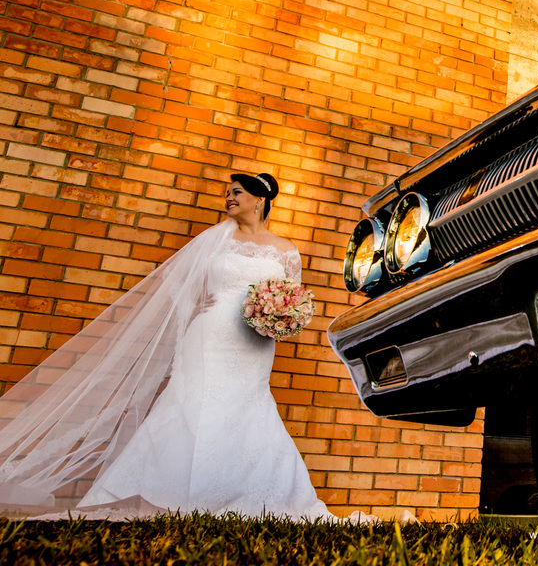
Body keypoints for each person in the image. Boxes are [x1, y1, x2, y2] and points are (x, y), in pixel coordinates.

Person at [0, 173, 363, 521]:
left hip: (255, 343)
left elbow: (294, 300)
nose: (229, 198)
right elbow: (179, 286)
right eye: (228, 192)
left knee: (247, 406)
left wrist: (283, 318)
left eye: (237, 192)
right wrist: (196, 304)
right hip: (209, 335)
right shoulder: (217, 239)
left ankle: (246, 493)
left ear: (260, 200)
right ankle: (168, 494)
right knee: (189, 402)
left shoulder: (286, 250)